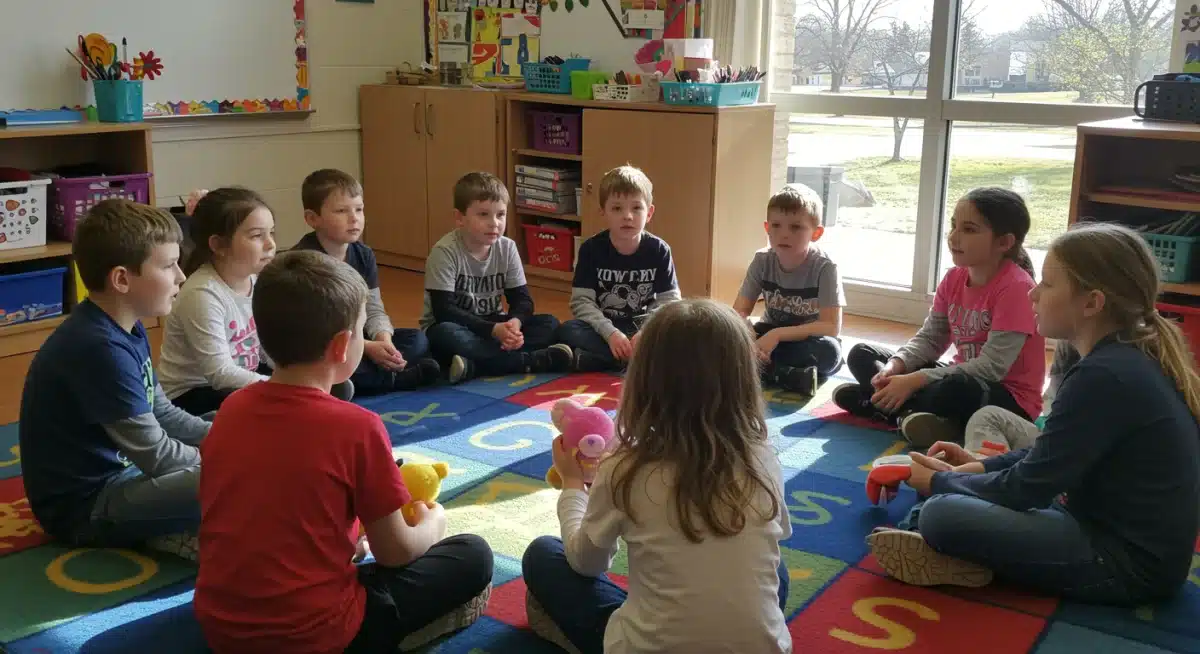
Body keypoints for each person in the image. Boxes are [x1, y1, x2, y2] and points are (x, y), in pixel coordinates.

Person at [868, 223, 1200, 606]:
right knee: (957, 499)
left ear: (1091, 303)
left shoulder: (1105, 374)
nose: (1033, 292)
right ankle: (949, 550)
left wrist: (939, 484)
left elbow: (1029, 487)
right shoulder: (1118, 358)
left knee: (942, 513)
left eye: (1047, 283)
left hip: (1125, 564)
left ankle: (943, 545)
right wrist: (975, 467)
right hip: (1105, 528)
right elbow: (1052, 452)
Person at [195, 250, 494, 653]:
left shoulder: (231, 409)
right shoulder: (357, 426)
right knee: (473, 555)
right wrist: (434, 522)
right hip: (319, 632)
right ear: (341, 346)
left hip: (221, 624)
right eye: (361, 331)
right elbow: (396, 553)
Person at [522, 299, 793, 654]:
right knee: (775, 575)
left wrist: (572, 483)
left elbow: (587, 563)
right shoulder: (763, 456)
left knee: (544, 555)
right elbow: (777, 535)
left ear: (644, 380)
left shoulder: (625, 465)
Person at [19, 199, 208, 561]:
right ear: (122, 279)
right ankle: (166, 532)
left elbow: (163, 414)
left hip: (130, 472)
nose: (181, 277)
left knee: (223, 424)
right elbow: (158, 456)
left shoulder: (126, 326)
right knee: (225, 481)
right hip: (86, 507)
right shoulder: (98, 347)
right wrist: (240, 460)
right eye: (169, 266)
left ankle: (169, 526)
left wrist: (230, 437)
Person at [832, 187, 1046, 447]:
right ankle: (906, 411)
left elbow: (992, 368)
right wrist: (895, 368)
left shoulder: (1016, 288)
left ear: (1004, 242)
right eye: (954, 226)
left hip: (1005, 398)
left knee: (952, 389)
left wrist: (914, 380)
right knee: (863, 353)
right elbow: (931, 340)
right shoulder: (954, 277)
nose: (954, 237)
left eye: (969, 229)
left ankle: (884, 405)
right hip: (958, 375)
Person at [292, 168, 441, 394]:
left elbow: (373, 307)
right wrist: (367, 348)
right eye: (341, 211)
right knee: (320, 364)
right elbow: (315, 329)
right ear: (313, 219)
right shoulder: (305, 262)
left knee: (417, 340)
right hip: (326, 344)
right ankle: (394, 379)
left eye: (359, 210)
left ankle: (381, 373)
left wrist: (384, 340)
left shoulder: (363, 254)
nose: (354, 219)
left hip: (359, 339)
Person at [421, 172, 571, 382]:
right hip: (457, 326)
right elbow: (444, 311)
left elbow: (522, 300)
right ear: (459, 218)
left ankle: (476, 366)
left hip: (494, 324)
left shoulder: (507, 248)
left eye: (500, 215)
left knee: (549, 324)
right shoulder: (444, 252)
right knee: (444, 335)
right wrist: (492, 331)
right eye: (483, 215)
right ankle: (528, 361)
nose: (494, 223)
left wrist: (515, 324)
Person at [158, 188, 277, 416]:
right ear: (218, 245)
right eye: (256, 236)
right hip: (193, 394)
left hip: (238, 378)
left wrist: (296, 376)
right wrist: (283, 389)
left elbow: (264, 348)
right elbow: (220, 373)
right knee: (273, 408)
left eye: (271, 232)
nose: (270, 244)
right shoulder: (202, 294)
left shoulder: (257, 280)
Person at [556, 165, 681, 372]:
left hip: (643, 327)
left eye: (636, 208)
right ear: (603, 212)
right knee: (568, 330)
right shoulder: (590, 249)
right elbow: (581, 301)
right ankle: (638, 362)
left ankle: (594, 361)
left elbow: (670, 301)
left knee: (681, 332)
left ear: (649, 213)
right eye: (617, 208)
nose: (627, 216)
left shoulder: (659, 250)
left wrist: (645, 332)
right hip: (604, 327)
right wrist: (610, 333)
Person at [733, 185, 846, 395]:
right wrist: (747, 333)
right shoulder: (762, 261)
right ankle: (783, 374)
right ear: (767, 228)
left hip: (807, 340)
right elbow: (738, 312)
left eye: (795, 227)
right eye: (776, 226)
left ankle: (757, 370)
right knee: (725, 337)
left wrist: (777, 335)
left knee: (829, 352)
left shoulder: (825, 267)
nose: (784, 234)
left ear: (816, 233)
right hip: (768, 334)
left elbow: (831, 327)